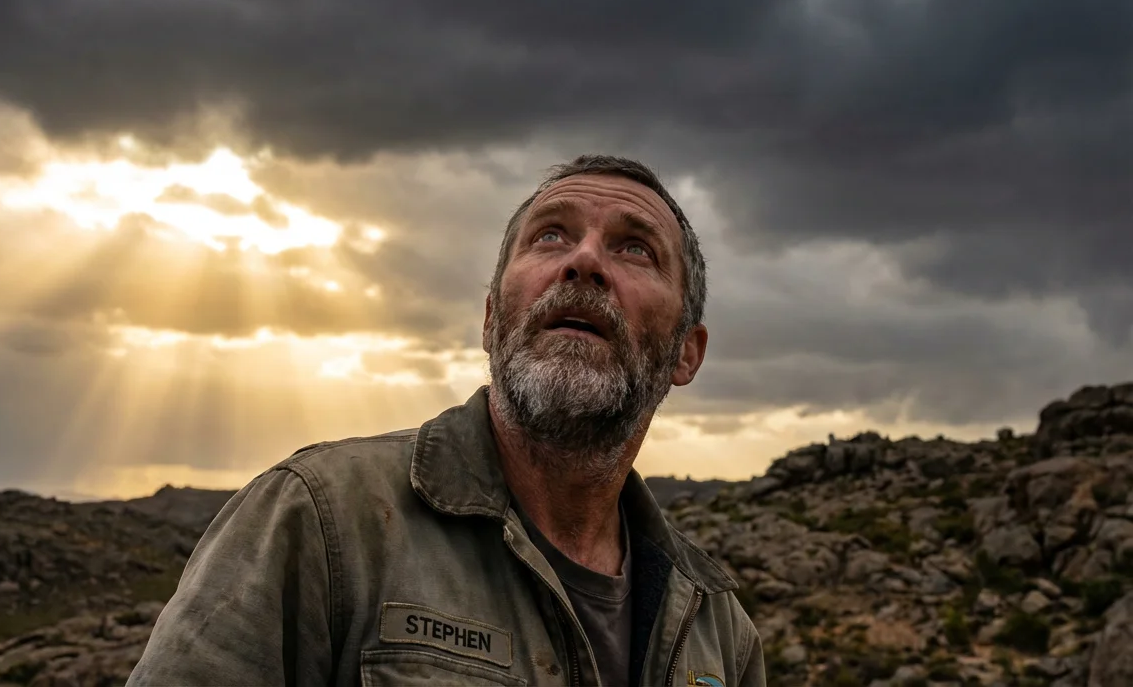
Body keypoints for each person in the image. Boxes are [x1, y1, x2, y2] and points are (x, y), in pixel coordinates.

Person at [126, 154, 765, 686]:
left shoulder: (718, 630)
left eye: (635, 248)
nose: (584, 261)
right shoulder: (317, 520)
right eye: (550, 236)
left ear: (687, 352)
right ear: (491, 319)